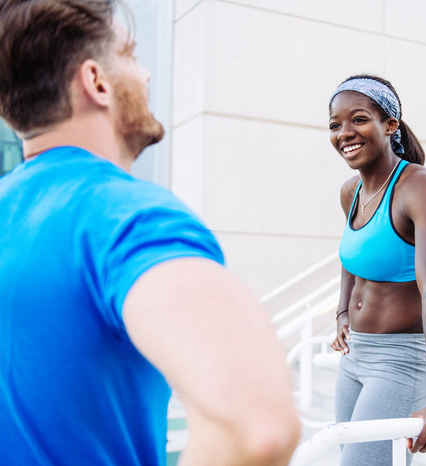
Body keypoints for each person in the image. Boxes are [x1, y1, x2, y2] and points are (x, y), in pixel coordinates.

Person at [0, 1, 299, 465]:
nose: (146, 74)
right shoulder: (125, 215)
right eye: (132, 54)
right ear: (97, 82)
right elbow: (255, 424)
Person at [328, 74, 426, 465]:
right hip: (355, 355)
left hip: (400, 360)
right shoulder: (350, 192)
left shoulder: (418, 187)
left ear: (390, 125)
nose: (345, 133)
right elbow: (352, 258)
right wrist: (341, 311)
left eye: (358, 119)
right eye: (335, 125)